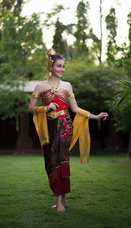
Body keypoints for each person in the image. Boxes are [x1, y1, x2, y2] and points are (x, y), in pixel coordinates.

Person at [29, 49, 108, 212]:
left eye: (64, 66)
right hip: (48, 129)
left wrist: (95, 117)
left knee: (61, 160)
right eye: (59, 66)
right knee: (50, 163)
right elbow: (31, 108)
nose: (62, 69)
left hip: (65, 126)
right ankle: (62, 199)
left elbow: (75, 108)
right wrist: (45, 108)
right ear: (50, 67)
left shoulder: (67, 86)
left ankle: (59, 202)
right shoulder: (40, 86)